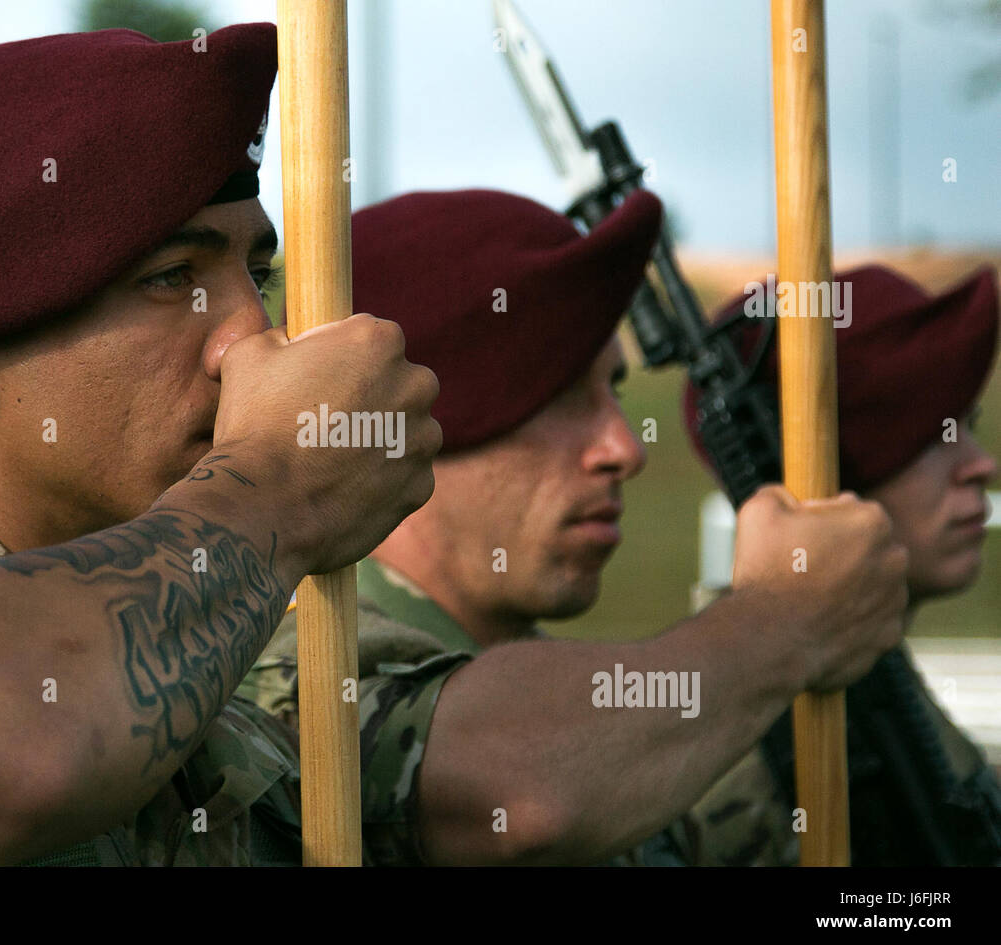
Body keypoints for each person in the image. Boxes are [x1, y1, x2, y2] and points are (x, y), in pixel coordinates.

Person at [0, 32, 905, 867]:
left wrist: (782, 620)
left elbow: (512, 782)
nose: (250, 336)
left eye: (254, 269)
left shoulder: (264, 663)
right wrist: (277, 488)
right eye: (172, 277)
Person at [238, 189, 913, 864]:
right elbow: (516, 794)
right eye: (562, 395)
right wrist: (787, 621)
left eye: (614, 392)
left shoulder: (615, 735)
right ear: (413, 431)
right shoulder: (304, 662)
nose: (625, 448)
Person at [678, 263, 1000, 865]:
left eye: (967, 426)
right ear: (825, 479)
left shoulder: (873, 683)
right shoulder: (742, 765)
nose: (981, 466)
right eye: (933, 437)